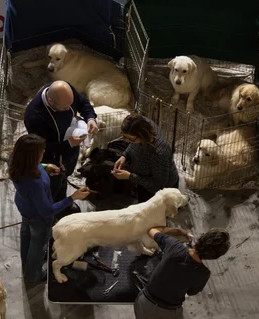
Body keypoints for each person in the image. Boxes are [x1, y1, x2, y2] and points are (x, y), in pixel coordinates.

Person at [134, 227, 230, 319]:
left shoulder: (174, 246)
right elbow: (191, 292)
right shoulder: (203, 273)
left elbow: (151, 230)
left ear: (201, 239)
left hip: (144, 303)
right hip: (169, 313)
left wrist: (179, 232)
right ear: (215, 256)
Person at [9, 134, 90, 283]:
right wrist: (73, 197)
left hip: (25, 209)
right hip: (38, 217)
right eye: (41, 153)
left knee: (26, 236)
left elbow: (36, 167)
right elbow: (47, 211)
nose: (43, 154)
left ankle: (26, 265)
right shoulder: (34, 183)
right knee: (38, 245)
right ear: (32, 157)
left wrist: (45, 167)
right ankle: (33, 275)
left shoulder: (15, 162)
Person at [24, 80, 97, 217]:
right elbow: (40, 146)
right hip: (51, 156)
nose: (69, 109)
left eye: (71, 104)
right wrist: (68, 144)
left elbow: (83, 103)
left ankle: (62, 203)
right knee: (52, 184)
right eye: (65, 107)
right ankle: (51, 212)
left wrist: (90, 118)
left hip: (70, 141)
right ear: (51, 102)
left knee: (65, 176)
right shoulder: (34, 116)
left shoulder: (65, 90)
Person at [112, 115, 179, 202]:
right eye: (124, 137)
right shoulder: (142, 124)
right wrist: (124, 156)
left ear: (142, 135)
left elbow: (158, 185)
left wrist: (130, 177)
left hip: (160, 192)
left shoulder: (160, 153)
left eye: (130, 139)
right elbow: (133, 146)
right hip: (142, 181)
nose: (126, 141)